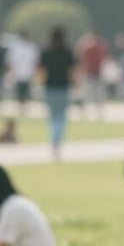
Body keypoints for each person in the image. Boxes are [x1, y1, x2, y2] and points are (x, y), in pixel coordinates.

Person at [40, 26, 76, 159]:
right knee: (61, 117)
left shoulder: (46, 51)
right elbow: (71, 71)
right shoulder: (67, 52)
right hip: (63, 87)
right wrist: (75, 84)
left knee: (52, 116)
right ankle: (57, 140)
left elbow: (41, 70)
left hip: (49, 87)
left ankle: (54, 140)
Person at [75, 30, 110, 119]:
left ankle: (83, 112)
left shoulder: (87, 45)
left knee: (86, 93)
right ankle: (99, 113)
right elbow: (105, 58)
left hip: (89, 72)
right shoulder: (100, 46)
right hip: (96, 72)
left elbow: (80, 57)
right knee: (98, 94)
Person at [6, 31, 40, 111]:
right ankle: (20, 104)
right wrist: (12, 70)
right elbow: (11, 60)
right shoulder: (16, 47)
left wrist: (35, 71)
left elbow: (35, 60)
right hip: (18, 72)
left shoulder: (32, 47)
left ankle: (25, 104)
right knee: (19, 89)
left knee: (26, 89)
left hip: (28, 72)